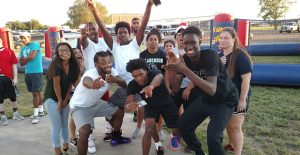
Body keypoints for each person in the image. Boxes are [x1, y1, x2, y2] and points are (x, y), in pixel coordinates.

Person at [166, 26, 239, 155]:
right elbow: (176, 87)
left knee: (213, 137)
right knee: (183, 124)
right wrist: (171, 68)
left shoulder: (210, 56)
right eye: (186, 42)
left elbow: (211, 89)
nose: (189, 46)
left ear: (200, 41)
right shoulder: (185, 60)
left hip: (225, 100)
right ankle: (199, 152)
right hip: (206, 99)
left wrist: (185, 70)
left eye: (193, 42)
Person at [85, 0, 153, 138]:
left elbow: (143, 24)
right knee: (112, 107)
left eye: (125, 32)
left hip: (139, 85)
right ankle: (114, 131)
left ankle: (146, 130)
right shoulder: (115, 47)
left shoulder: (135, 44)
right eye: (119, 33)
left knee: (145, 109)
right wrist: (94, 11)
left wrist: (149, 6)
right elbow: (103, 29)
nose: (122, 34)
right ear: (117, 35)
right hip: (124, 87)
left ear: (129, 34)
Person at [69, 51, 131, 155]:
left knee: (119, 112)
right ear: (96, 64)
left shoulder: (112, 71)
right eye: (103, 62)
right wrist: (93, 84)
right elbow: (86, 81)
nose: (107, 64)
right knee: (85, 131)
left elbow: (124, 85)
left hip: (96, 103)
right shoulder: (91, 73)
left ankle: (116, 135)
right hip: (80, 106)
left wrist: (115, 79)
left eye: (109, 62)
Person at [125, 58, 181, 155]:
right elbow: (128, 100)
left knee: (179, 127)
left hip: (167, 104)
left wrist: (151, 86)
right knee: (149, 128)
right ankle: (158, 145)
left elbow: (159, 78)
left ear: (146, 71)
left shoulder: (155, 73)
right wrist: (130, 105)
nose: (138, 78)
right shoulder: (132, 84)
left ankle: (173, 136)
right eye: (135, 76)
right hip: (151, 106)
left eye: (141, 74)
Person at [219, 27, 253, 155]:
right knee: (228, 124)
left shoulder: (240, 56)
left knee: (235, 127)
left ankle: (237, 152)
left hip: (238, 96)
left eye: (226, 38)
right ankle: (232, 145)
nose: (223, 40)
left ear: (234, 39)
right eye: (221, 38)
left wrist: (242, 100)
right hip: (225, 98)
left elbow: (246, 79)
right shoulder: (219, 57)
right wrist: (218, 65)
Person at [44, 42, 80, 155]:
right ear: (58, 54)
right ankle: (57, 151)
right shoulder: (56, 65)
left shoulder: (73, 66)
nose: (65, 52)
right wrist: (60, 100)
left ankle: (66, 146)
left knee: (64, 123)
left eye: (67, 50)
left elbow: (71, 83)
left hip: (64, 98)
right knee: (57, 125)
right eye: (62, 51)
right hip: (52, 98)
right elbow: (56, 85)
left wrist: (65, 99)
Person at [134, 28, 166, 141]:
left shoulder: (163, 54)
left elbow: (166, 72)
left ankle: (160, 129)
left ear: (158, 41)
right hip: (145, 85)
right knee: (142, 107)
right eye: (150, 39)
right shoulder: (142, 55)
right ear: (147, 41)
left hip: (159, 86)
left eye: (155, 39)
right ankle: (138, 127)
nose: (153, 41)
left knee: (160, 108)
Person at [19, 32, 45, 124]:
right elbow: (21, 63)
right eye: (21, 38)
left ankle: (36, 115)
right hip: (28, 73)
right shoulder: (23, 49)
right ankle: (41, 111)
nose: (22, 39)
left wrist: (25, 59)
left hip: (36, 72)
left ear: (29, 37)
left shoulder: (34, 44)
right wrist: (27, 59)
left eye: (24, 37)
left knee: (35, 93)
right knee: (36, 93)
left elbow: (32, 56)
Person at [0, 38, 24, 126]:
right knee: (0, 99)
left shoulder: (9, 52)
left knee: (13, 96)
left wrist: (15, 78)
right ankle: (3, 117)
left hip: (8, 78)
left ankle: (16, 113)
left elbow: (14, 66)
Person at [69, 48, 85, 148]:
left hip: (85, 94)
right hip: (74, 94)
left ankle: (82, 134)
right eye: (75, 53)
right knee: (74, 116)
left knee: (83, 115)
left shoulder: (86, 65)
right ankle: (72, 138)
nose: (78, 54)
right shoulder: (71, 67)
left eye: (79, 52)